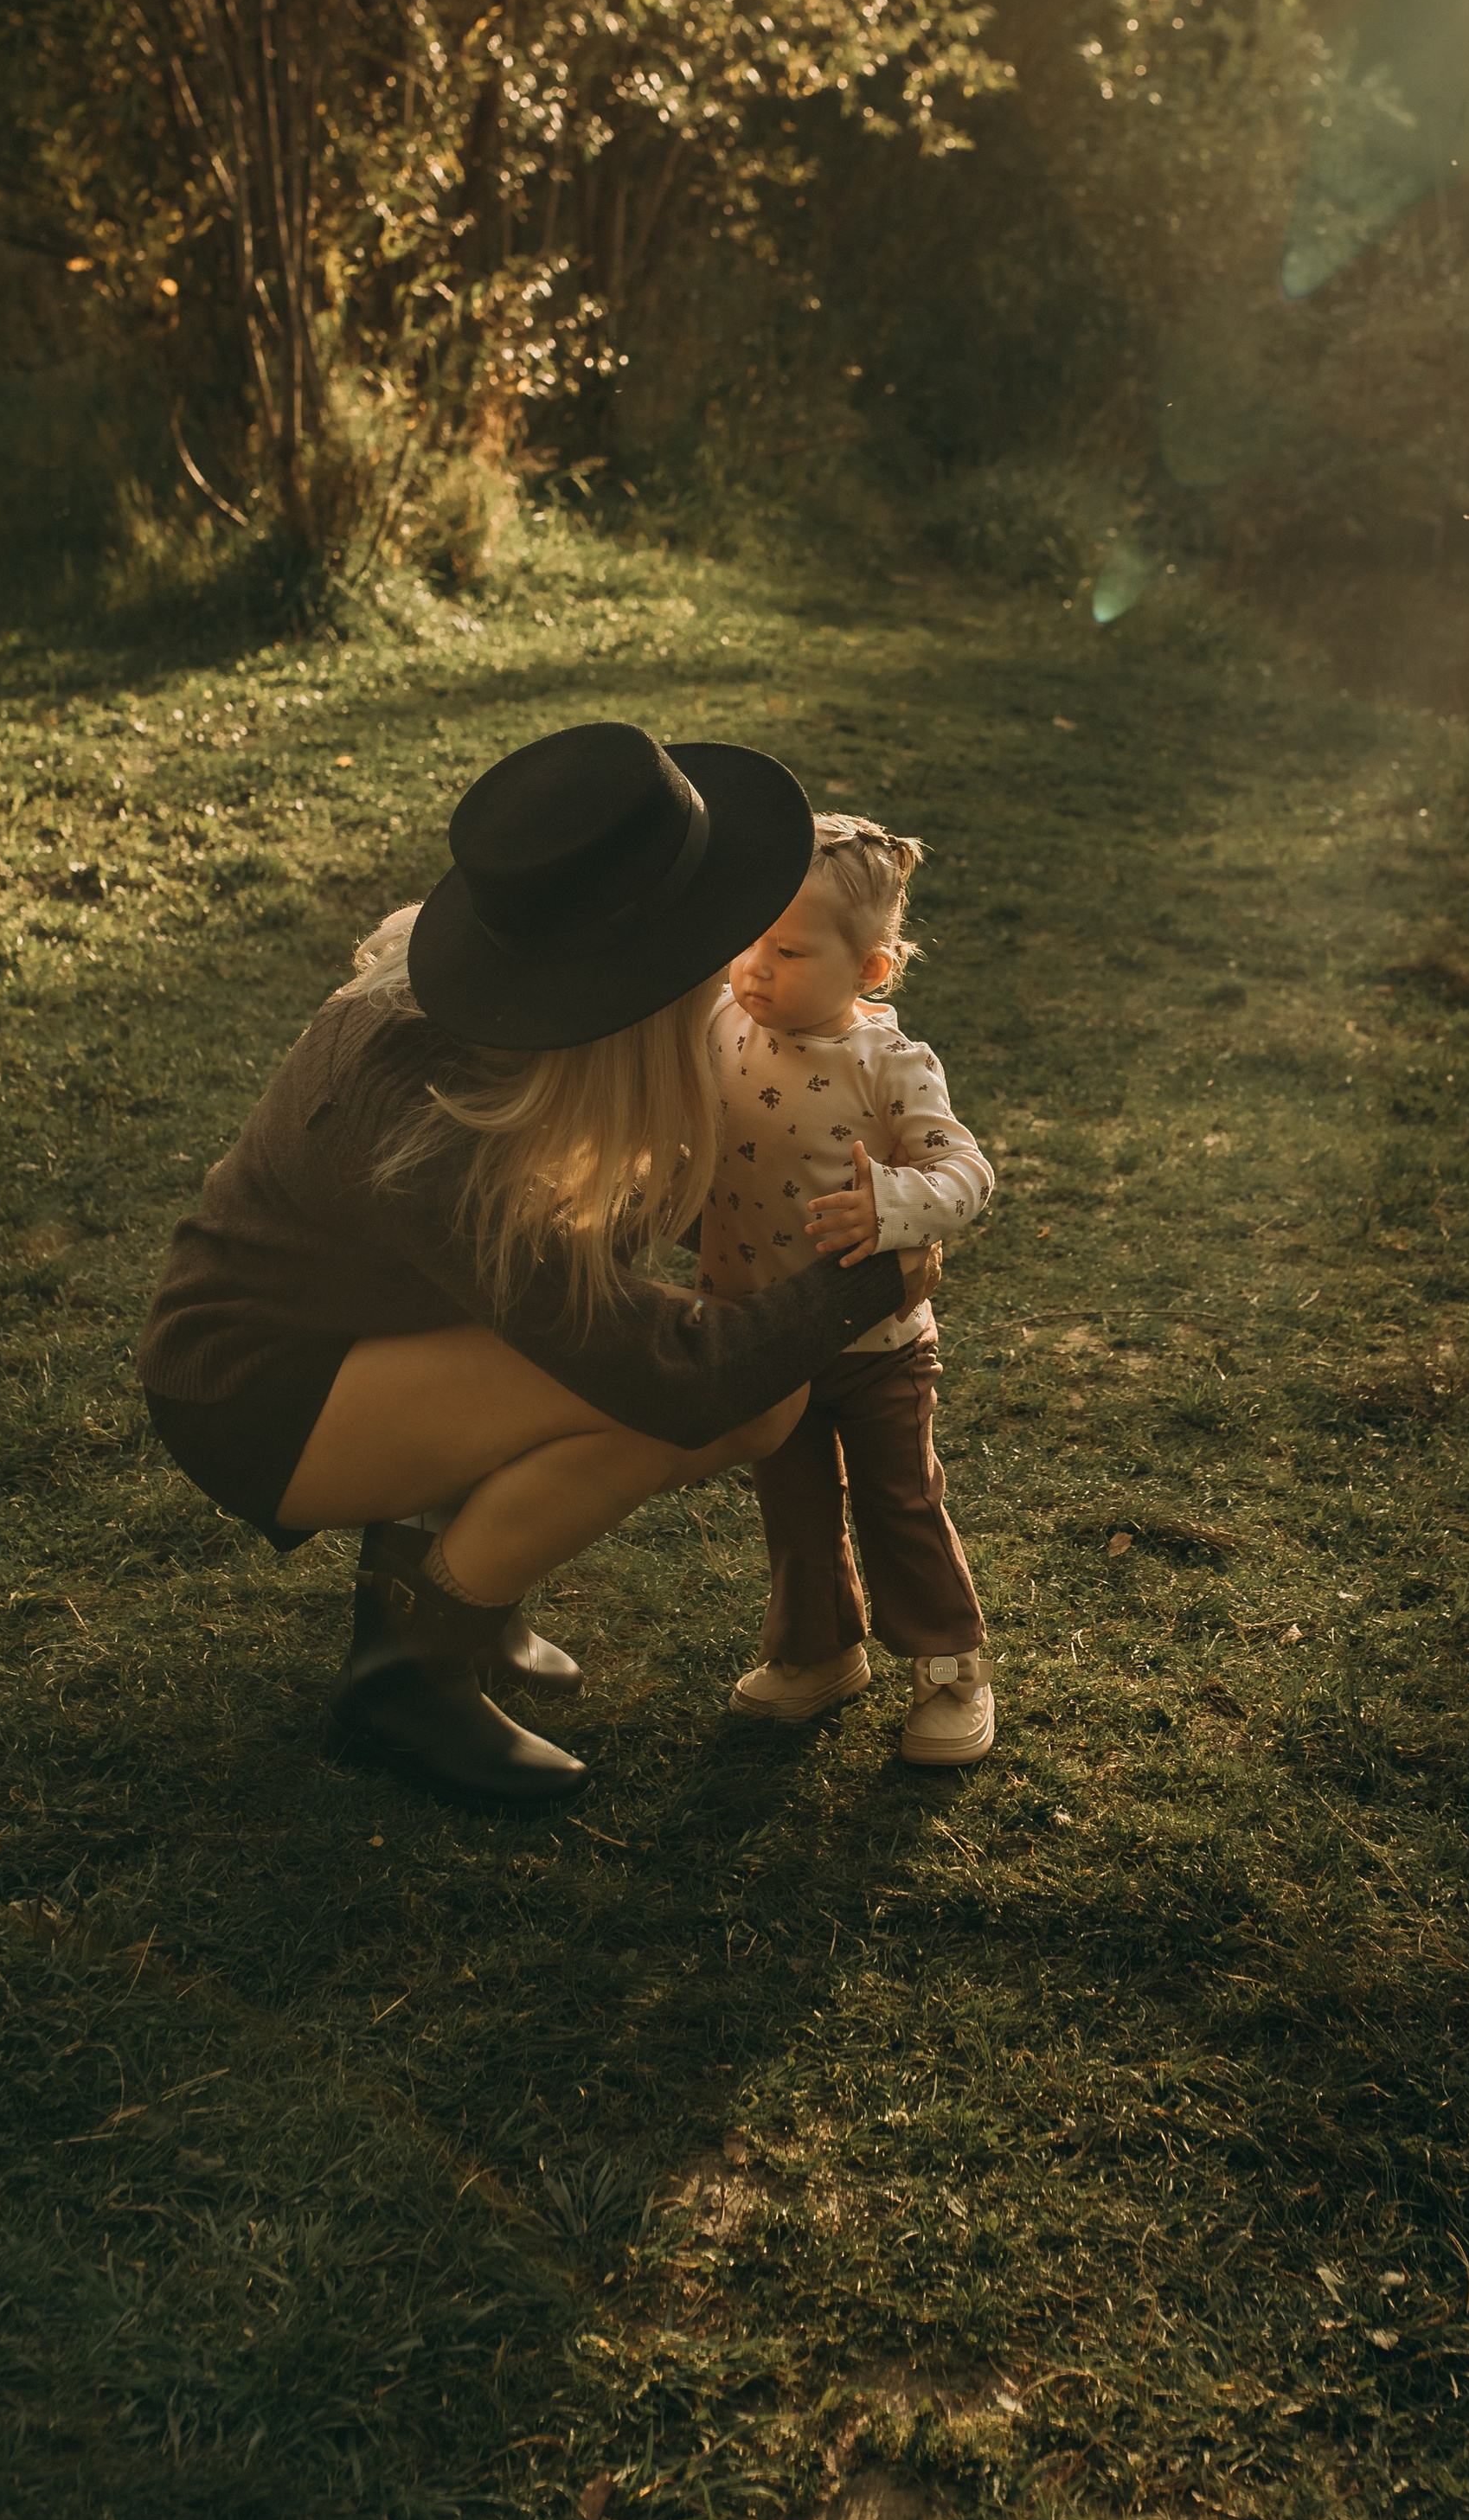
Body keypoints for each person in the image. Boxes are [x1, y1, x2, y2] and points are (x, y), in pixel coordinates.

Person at [137, 724, 939, 1808]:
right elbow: (666, 1372)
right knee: (727, 1401)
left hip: (375, 1336)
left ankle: (441, 1596)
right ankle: (406, 1675)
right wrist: (873, 1275)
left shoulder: (540, 1029)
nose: (737, 955)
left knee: (688, 1379)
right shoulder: (432, 1123)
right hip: (255, 1391)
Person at [703, 817, 998, 1766]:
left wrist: (896, 1207)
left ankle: (950, 1665)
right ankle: (818, 1649)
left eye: (785, 951)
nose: (754, 965)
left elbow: (969, 1176)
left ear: (870, 969)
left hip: (876, 1346)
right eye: (748, 939)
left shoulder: (889, 1064)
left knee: (898, 1501)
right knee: (790, 1507)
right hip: (759, 1336)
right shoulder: (723, 1024)